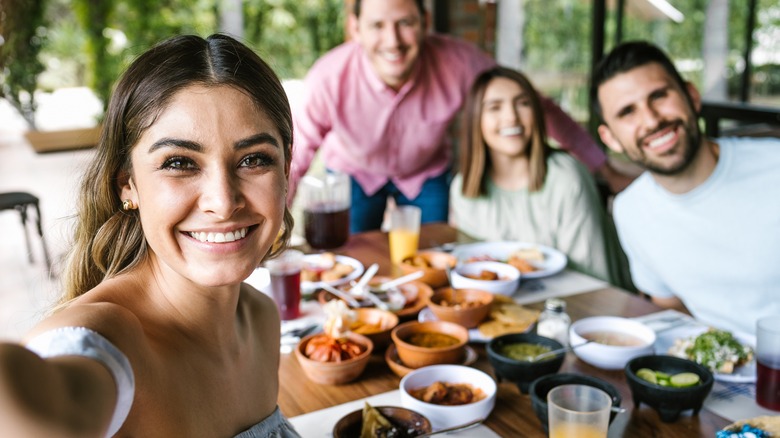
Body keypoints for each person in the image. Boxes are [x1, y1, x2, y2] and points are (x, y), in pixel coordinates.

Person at [0, 34, 301, 437]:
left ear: (285, 170)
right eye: (179, 162)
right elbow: (46, 407)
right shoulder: (104, 342)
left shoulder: (261, 317)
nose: (223, 202)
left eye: (253, 159)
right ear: (128, 185)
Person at [289, 0, 634, 233]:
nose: (392, 41)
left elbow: (535, 104)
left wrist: (604, 169)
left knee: (433, 260)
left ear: (425, 23)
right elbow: (297, 153)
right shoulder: (329, 76)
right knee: (352, 261)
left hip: (426, 175)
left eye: (405, 23)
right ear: (356, 28)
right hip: (354, 173)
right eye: (377, 25)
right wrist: (276, 220)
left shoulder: (459, 62)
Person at [592, 40, 780, 336]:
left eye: (659, 96)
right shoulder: (630, 211)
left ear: (691, 96)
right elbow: (673, 310)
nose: (652, 120)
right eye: (627, 112)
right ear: (611, 138)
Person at [450, 66, 632, 288]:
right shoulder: (463, 188)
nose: (511, 117)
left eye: (523, 103)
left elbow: (594, 280)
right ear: (475, 120)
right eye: (495, 107)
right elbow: (475, 271)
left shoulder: (566, 178)